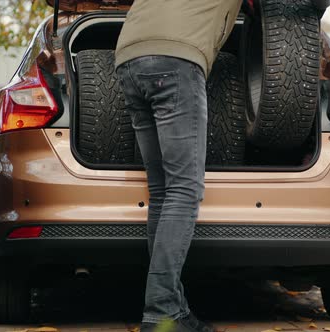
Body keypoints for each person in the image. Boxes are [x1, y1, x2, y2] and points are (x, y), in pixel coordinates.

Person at [114, 0, 243, 331]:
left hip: (128, 56)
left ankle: (172, 309)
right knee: (184, 188)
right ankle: (161, 310)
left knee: (162, 191)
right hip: (175, 59)